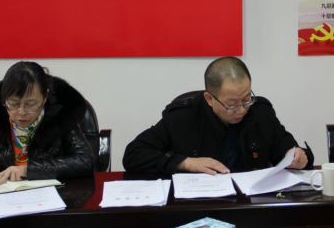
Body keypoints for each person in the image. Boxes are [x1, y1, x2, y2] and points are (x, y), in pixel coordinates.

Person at [124, 57, 314, 174]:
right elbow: (133, 154)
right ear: (209, 99)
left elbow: (290, 151)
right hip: (199, 205)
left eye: (246, 99)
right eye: (232, 104)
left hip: (249, 204)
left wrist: (299, 157)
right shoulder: (181, 117)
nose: (242, 110)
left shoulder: (261, 112)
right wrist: (186, 163)